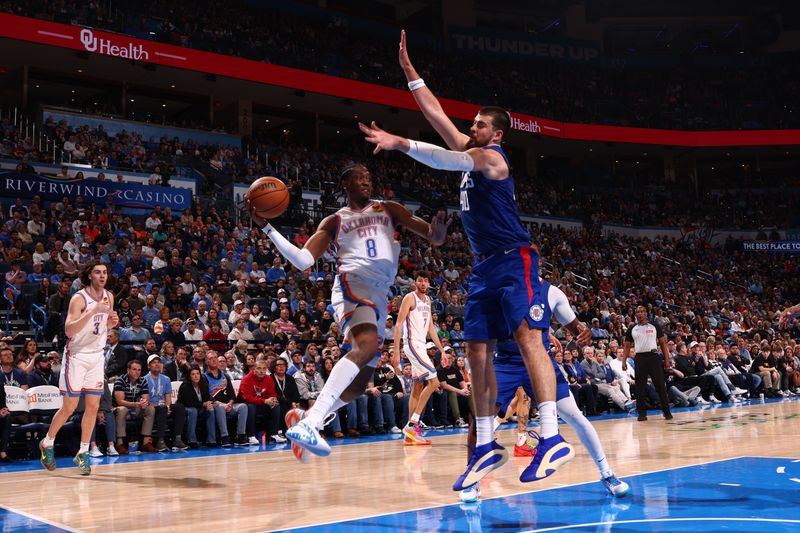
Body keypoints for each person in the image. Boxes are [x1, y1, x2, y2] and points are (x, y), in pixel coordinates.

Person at [360, 32, 573, 490]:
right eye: (472, 124)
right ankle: (484, 445)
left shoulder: (491, 159)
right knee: (476, 350)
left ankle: (552, 436)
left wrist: (399, 143)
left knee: (527, 335)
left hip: (516, 260)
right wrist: (410, 74)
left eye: (477, 124)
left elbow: (441, 158)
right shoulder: (469, 151)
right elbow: (438, 119)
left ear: (495, 133)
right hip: (484, 268)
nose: (470, 127)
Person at [248, 163, 447, 461]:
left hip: (380, 296)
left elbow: (431, 234)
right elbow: (303, 261)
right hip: (353, 285)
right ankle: (312, 424)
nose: (366, 181)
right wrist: (267, 227)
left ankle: (303, 417)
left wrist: (438, 233)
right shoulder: (334, 221)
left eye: (369, 177)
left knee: (355, 387)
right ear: (345, 184)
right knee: (365, 347)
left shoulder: (389, 209)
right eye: (359, 178)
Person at [459, 279, 627, 503]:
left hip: (540, 362)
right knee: (479, 423)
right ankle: (472, 481)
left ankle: (607, 473)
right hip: (505, 362)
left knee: (575, 416)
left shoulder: (552, 292)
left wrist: (582, 331)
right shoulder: (497, 287)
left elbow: (575, 326)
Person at [39, 260, 119, 475]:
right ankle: (47, 442)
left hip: (96, 356)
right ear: (89, 275)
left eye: (105, 272)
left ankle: (83, 452)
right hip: (77, 356)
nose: (102, 276)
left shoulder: (109, 296)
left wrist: (112, 322)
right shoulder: (79, 298)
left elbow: (105, 325)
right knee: (70, 407)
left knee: (93, 407)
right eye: (97, 272)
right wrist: (93, 312)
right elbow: (69, 329)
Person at [393, 271, 445, 445]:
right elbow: (398, 324)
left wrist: (442, 351)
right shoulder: (410, 297)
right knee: (434, 382)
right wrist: (395, 351)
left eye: (426, 281)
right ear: (415, 283)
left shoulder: (428, 301)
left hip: (421, 344)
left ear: (429, 284)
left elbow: (431, 328)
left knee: (417, 387)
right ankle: (412, 424)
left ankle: (410, 434)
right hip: (412, 343)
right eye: (420, 280)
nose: (423, 283)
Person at [622, 306, 673, 422]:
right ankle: (642, 413)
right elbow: (627, 346)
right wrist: (624, 361)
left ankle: (666, 411)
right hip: (640, 358)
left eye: (642, 312)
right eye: (637, 312)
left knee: (660, 385)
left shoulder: (655, 326)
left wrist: (667, 361)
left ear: (646, 313)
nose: (639, 314)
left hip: (654, 357)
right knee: (640, 386)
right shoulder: (632, 328)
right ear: (635, 314)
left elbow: (663, 344)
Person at [176, 366, 215, 448]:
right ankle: (192, 440)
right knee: (193, 411)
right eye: (193, 374)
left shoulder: (203, 384)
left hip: (199, 408)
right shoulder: (185, 385)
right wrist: (203, 404)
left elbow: (207, 398)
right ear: (189, 376)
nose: (196, 376)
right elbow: (188, 402)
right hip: (185, 408)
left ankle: (211, 440)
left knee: (210, 410)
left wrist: (208, 403)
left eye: (197, 374)